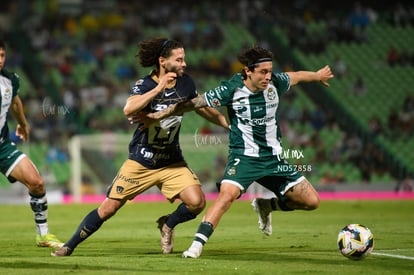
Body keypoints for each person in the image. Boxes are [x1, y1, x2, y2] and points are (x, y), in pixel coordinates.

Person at [143, 45, 334, 258]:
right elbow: (195, 103)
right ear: (248, 71)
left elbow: (296, 76)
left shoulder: (275, 83)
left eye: (270, 71)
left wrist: (317, 75)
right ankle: (196, 246)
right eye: (263, 72)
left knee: (312, 202)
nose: (268, 76)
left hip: (273, 159)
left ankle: (266, 205)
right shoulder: (231, 89)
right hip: (244, 158)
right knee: (226, 197)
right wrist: (161, 114)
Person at [51, 37, 229, 256]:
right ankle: (69, 245)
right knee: (109, 208)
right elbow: (129, 108)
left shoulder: (186, 82)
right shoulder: (144, 84)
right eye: (179, 59)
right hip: (141, 160)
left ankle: (168, 224)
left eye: (184, 59)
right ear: (163, 61)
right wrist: (160, 87)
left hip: (171, 160)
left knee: (197, 202)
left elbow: (199, 106)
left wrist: (224, 122)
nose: (185, 64)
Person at [0, 40, 63, 248]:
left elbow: (15, 103)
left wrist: (23, 124)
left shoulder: (9, 80)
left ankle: (43, 235)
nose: (0, 60)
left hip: (2, 146)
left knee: (37, 183)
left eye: (2, 55)